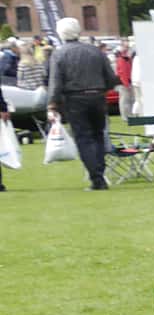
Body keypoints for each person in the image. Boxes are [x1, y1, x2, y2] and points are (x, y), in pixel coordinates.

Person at [47, 17, 118, 190]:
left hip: (75, 99)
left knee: (84, 138)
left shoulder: (59, 54)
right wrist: (103, 89)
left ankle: (97, 178)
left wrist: (52, 103)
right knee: (98, 135)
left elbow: (56, 82)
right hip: (97, 96)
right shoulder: (95, 51)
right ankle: (99, 173)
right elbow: (111, 77)